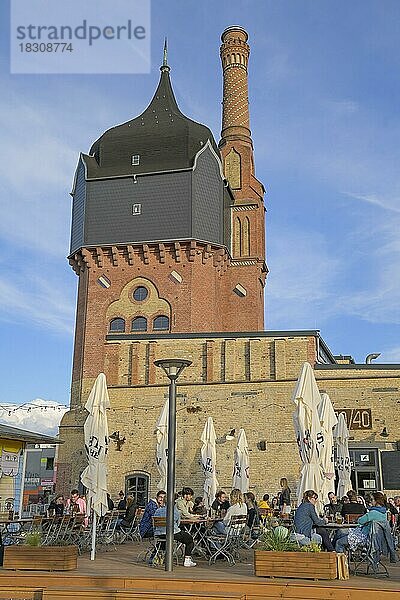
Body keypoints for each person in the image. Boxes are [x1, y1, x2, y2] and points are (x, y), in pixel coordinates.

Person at [153, 500, 196, 567]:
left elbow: (154, 521)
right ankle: (187, 560)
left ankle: (160, 557)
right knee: (189, 539)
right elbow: (178, 524)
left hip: (159, 534)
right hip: (173, 533)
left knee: (165, 541)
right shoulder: (176, 511)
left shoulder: (158, 510)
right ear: (174, 504)